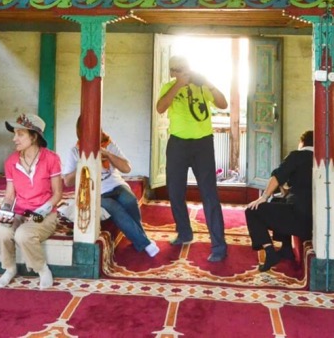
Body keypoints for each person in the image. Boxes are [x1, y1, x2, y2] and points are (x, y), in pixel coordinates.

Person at [155, 55, 229, 262]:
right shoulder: (169, 87)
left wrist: (208, 83)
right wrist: (179, 84)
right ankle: (184, 232)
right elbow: (160, 108)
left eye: (184, 67)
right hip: (178, 144)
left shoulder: (202, 86)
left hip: (203, 145)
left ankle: (219, 246)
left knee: (209, 194)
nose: (182, 71)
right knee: (175, 191)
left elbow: (223, 104)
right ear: (172, 72)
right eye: (177, 69)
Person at [61, 116, 159, 257]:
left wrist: (108, 154)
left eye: (96, 130)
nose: (93, 134)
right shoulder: (75, 151)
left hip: (115, 184)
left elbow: (127, 168)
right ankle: (145, 243)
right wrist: (83, 165)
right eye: (88, 131)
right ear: (80, 133)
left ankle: (141, 239)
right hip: (95, 192)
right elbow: (67, 182)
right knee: (115, 208)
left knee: (130, 200)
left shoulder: (108, 144)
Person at [0, 113, 64, 289]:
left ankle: (42, 269)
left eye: (20, 134)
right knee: (2, 232)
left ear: (34, 137)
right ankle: (9, 268)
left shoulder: (51, 159)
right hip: (19, 211)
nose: (14, 139)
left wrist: (41, 211)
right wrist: (5, 210)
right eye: (14, 134)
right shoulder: (11, 162)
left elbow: (57, 194)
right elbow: (9, 195)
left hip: (45, 213)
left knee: (23, 234)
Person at [244, 130, 313, 272]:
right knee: (278, 200)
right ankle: (286, 248)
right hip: (314, 221)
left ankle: (270, 252)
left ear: (302, 143)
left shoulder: (297, 156)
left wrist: (263, 197)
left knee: (252, 210)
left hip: (299, 219)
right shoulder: (323, 160)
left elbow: (277, 176)